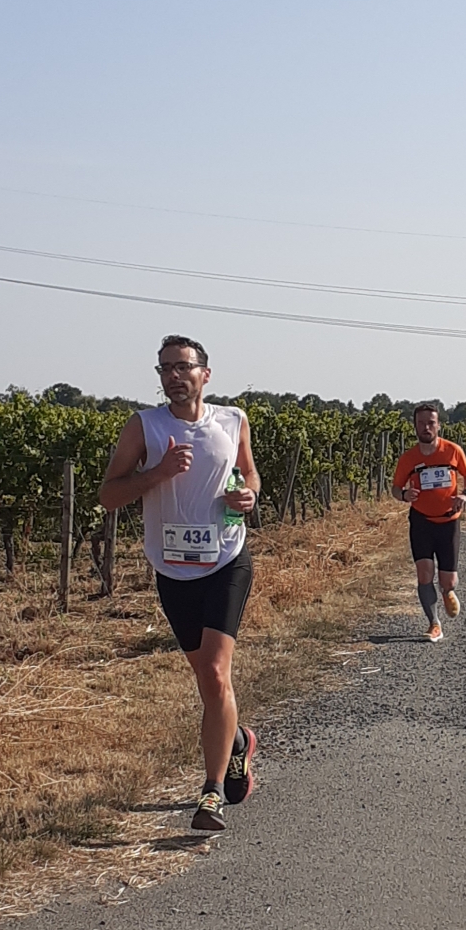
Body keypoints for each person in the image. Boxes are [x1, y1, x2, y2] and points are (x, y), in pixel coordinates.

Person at [99, 336, 261, 832]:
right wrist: (158, 473)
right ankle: (238, 742)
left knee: (214, 672)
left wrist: (248, 496)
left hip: (226, 561)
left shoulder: (232, 420)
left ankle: (210, 793)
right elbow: (108, 495)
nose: (173, 376)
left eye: (182, 367)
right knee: (208, 683)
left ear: (204, 374)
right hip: (173, 570)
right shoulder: (144, 427)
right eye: (165, 368)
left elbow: (249, 475)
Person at [391, 403, 466, 643]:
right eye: (421, 423)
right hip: (421, 522)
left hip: (449, 522)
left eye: (430, 423)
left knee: (448, 580)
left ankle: (447, 591)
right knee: (424, 573)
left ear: (438, 425)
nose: (426, 427)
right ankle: (434, 624)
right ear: (415, 426)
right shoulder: (408, 458)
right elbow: (395, 488)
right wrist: (404, 495)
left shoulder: (452, 451)